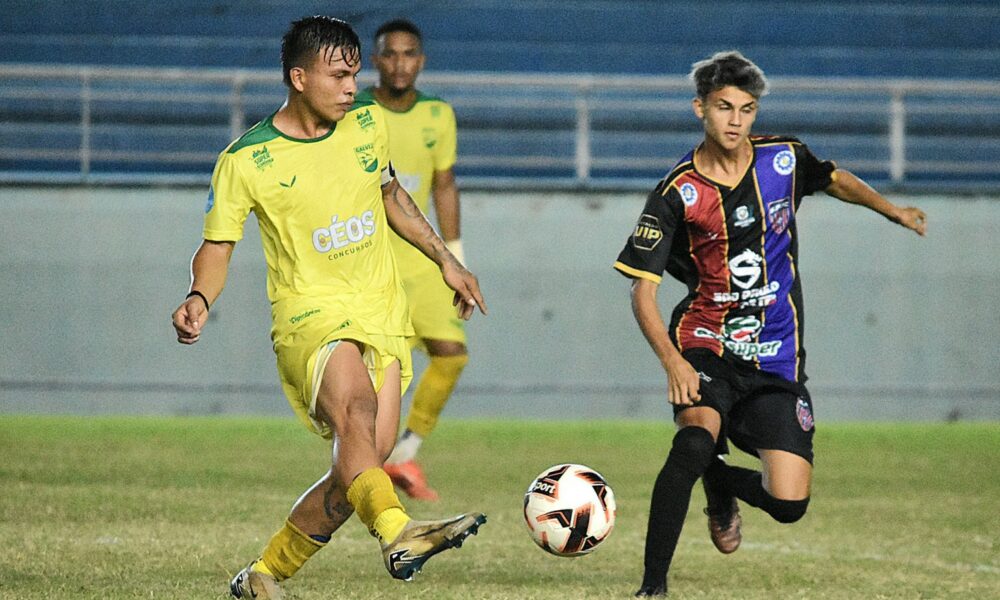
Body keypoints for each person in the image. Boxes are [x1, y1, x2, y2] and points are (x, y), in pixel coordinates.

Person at [170, 16, 488, 599]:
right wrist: (199, 296)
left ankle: (262, 575)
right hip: (309, 318)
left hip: (382, 313)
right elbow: (217, 245)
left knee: (357, 469)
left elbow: (391, 194)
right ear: (299, 78)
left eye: (354, 75)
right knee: (356, 413)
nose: (351, 88)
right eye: (338, 76)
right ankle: (399, 533)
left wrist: (446, 258)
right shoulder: (246, 160)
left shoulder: (367, 124)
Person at [612, 51, 927, 597]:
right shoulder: (677, 192)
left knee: (788, 503)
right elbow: (642, 292)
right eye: (724, 107)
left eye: (747, 109)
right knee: (692, 444)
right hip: (706, 341)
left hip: (777, 353)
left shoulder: (783, 158)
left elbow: (833, 179)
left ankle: (719, 480)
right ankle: (652, 588)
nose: (735, 121)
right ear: (700, 109)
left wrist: (892, 210)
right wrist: (672, 362)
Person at [357, 19, 467, 502]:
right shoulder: (356, 112)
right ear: (375, 60)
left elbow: (444, 185)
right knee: (382, 374)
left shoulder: (438, 115)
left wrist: (454, 257)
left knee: (451, 354)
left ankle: (403, 454)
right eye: (390, 53)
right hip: (371, 261)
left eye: (408, 54)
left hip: (423, 259)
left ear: (420, 61)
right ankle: (364, 467)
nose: (399, 63)